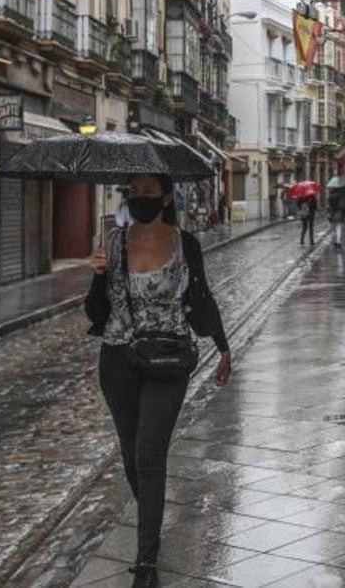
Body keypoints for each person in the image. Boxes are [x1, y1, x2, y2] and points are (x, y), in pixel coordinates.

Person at [84, 174, 232, 588]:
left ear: (166, 196)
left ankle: (145, 563)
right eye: (134, 193)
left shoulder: (187, 245)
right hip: (117, 359)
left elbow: (200, 298)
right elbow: (96, 313)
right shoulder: (112, 243)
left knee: (150, 456)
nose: (139, 199)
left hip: (168, 358)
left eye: (148, 192)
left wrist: (222, 346)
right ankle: (152, 520)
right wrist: (97, 273)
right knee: (131, 457)